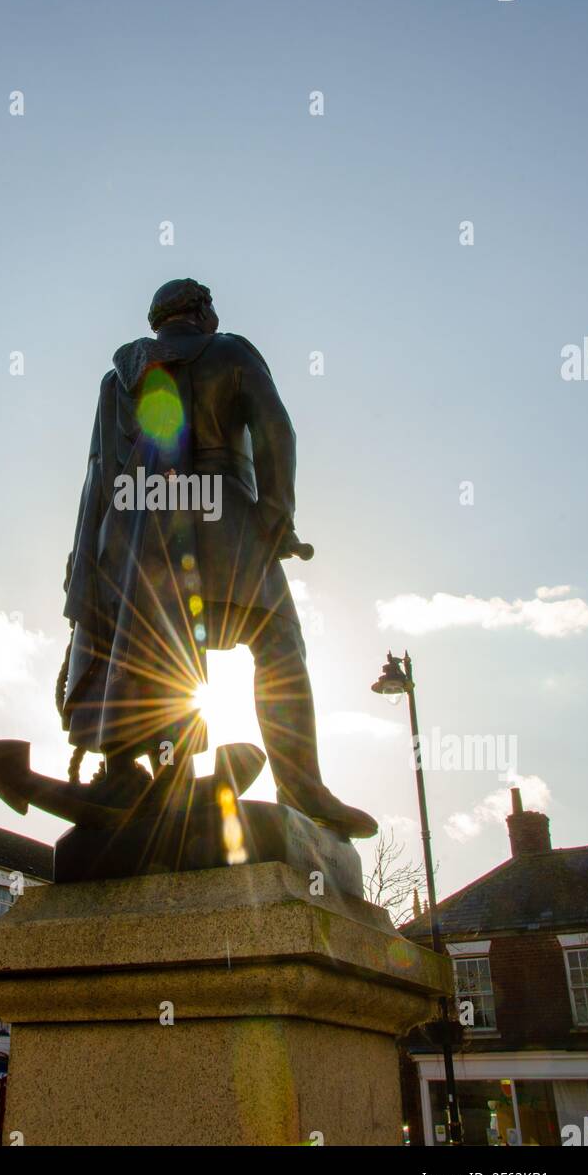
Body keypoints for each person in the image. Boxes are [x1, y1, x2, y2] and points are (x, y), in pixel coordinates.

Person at [62, 278, 377, 839]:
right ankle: (303, 788)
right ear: (202, 311)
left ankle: (154, 769)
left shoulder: (116, 381)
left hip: (136, 535)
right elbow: (276, 431)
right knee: (279, 644)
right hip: (224, 524)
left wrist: (86, 568)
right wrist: (275, 518)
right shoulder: (230, 351)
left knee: (161, 652)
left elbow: (98, 477)